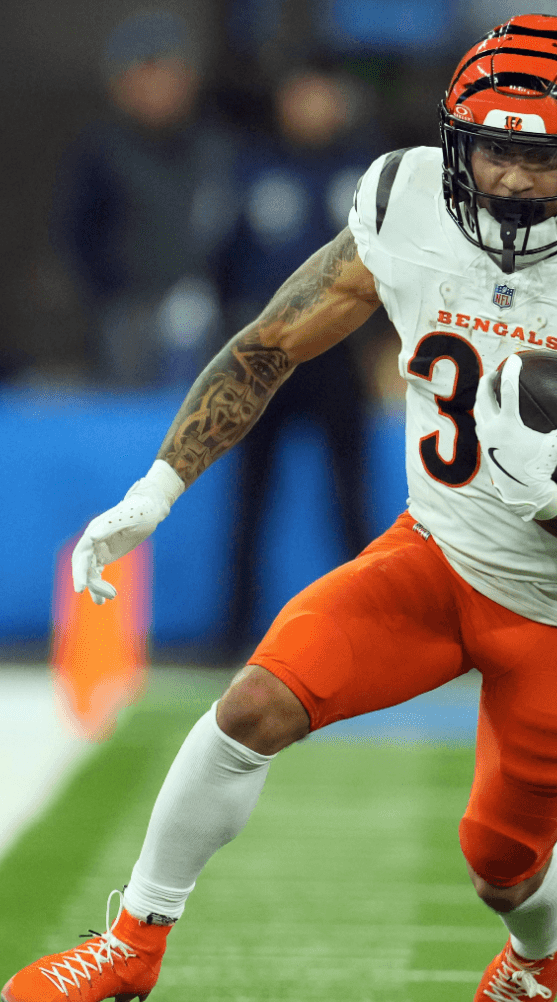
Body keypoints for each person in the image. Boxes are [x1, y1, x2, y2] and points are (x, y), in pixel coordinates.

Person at [1, 15, 557, 1002]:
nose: (512, 178)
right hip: (433, 557)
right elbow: (267, 348)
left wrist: (550, 501)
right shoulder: (407, 202)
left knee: (500, 864)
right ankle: (134, 936)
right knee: (252, 705)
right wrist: (156, 490)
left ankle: (547, 931)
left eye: (542, 156)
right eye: (494, 148)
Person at [216, 65, 379, 657]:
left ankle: (369, 626)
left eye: (321, 95)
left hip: (339, 353)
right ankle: (234, 630)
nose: (310, 107)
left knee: (351, 498)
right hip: (270, 352)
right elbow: (224, 258)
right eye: (300, 95)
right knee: (250, 498)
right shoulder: (252, 167)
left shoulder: (368, 171)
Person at [56, 10, 238, 386]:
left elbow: (236, 234)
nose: (157, 87)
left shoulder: (217, 149)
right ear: (121, 86)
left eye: (168, 74)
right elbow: (76, 234)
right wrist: (113, 295)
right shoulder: (101, 151)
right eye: (144, 75)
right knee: (129, 407)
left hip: (210, 313)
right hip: (128, 314)